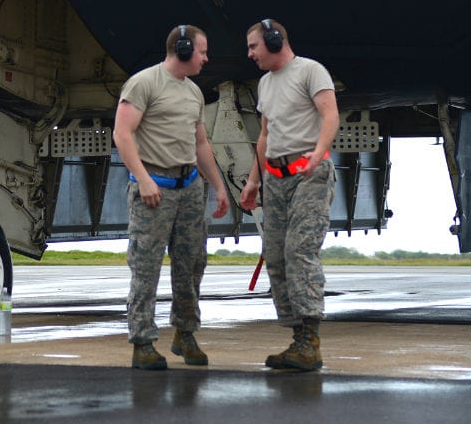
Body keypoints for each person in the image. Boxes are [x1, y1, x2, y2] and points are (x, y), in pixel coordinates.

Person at [113, 24, 231, 370]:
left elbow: (200, 143)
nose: (206, 59)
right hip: (154, 188)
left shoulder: (194, 92)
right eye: (201, 52)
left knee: (192, 262)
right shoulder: (143, 84)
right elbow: (122, 134)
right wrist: (143, 179)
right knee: (145, 265)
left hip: (189, 187)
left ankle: (185, 333)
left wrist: (218, 186)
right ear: (182, 50)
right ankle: (142, 341)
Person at [239, 18, 339, 371]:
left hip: (309, 175)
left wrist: (318, 153)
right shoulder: (265, 83)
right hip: (275, 179)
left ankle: (311, 341)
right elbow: (265, 136)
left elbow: (330, 115)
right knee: (277, 256)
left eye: (254, 46)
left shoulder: (311, 71)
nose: (250, 54)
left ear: (274, 41)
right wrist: (253, 180)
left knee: (300, 249)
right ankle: (298, 339)